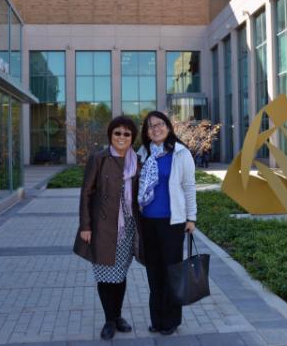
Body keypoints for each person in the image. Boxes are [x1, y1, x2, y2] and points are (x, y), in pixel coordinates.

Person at [73, 116, 144, 340]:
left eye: (126, 134)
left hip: (128, 228)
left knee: (120, 274)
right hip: (103, 227)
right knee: (105, 275)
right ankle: (109, 320)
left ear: (132, 137)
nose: (122, 137)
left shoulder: (138, 161)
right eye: (117, 133)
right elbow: (86, 193)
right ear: (110, 135)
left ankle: (118, 315)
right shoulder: (99, 159)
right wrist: (85, 226)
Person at [137, 111, 197, 336]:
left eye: (159, 124)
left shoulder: (181, 153)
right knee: (153, 272)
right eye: (151, 126)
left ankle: (171, 320)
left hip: (172, 223)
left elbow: (189, 187)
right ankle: (157, 319)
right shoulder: (142, 154)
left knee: (171, 272)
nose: (156, 129)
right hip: (147, 222)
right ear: (146, 132)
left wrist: (191, 218)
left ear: (168, 127)